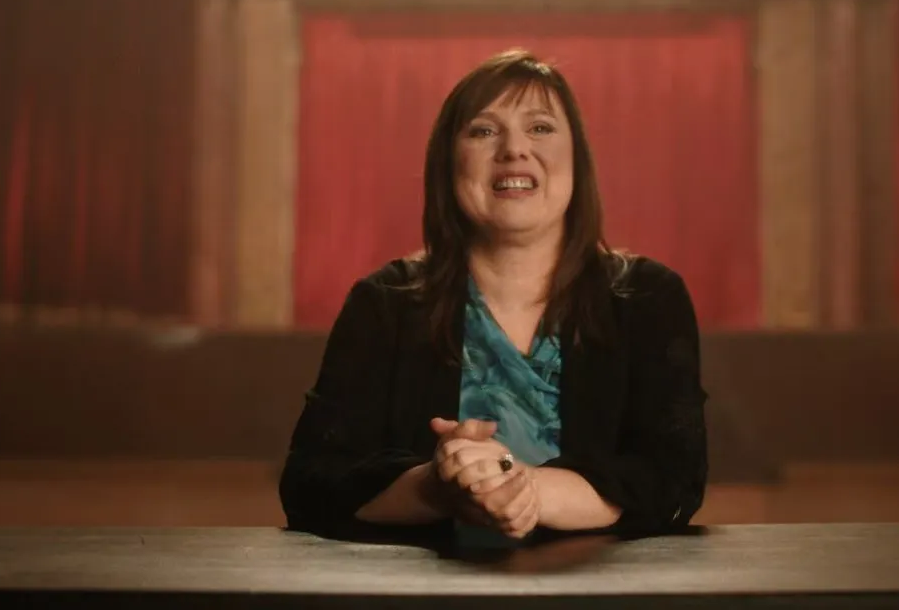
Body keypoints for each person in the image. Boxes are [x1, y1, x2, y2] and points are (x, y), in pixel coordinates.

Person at [279, 49, 708, 543]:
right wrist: (436, 486)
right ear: (448, 164)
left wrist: (526, 491)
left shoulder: (647, 298)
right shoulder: (385, 303)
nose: (514, 149)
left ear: (578, 159)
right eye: (483, 131)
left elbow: (675, 480)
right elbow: (310, 484)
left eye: (540, 128)